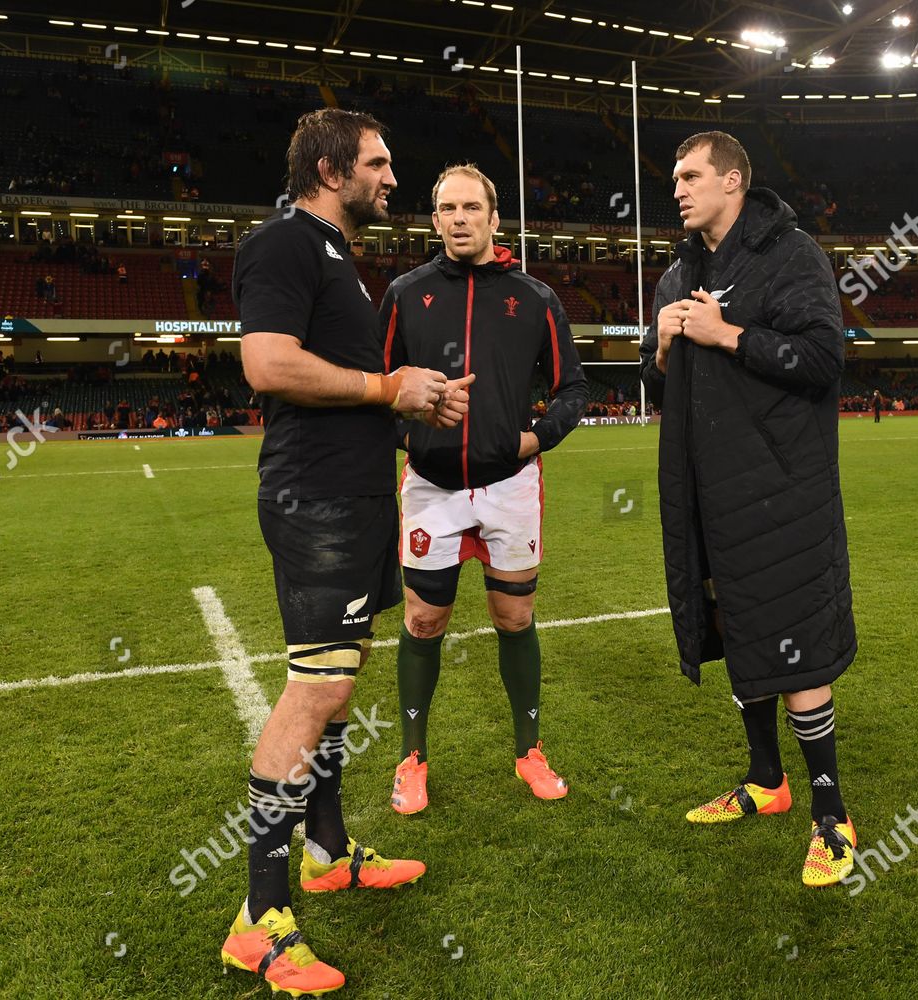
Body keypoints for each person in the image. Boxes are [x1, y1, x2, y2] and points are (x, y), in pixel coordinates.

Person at [225, 108, 470, 996]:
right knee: (318, 686)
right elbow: (267, 363)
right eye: (379, 162)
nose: (393, 178)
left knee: (342, 678)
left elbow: (360, 388)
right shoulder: (285, 244)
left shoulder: (337, 259)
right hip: (315, 500)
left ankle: (328, 850)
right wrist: (383, 383)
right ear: (331, 168)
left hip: (359, 497)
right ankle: (258, 920)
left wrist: (412, 401)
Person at [639, 130, 858, 888]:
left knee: (799, 645)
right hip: (706, 492)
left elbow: (825, 360)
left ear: (733, 181)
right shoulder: (677, 274)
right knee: (737, 632)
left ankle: (832, 816)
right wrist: (662, 352)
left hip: (784, 490)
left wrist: (727, 333)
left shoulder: (792, 254)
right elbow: (662, 382)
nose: (678, 188)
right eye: (675, 176)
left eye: (692, 174)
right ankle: (766, 781)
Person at [378, 164, 587, 815]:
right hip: (431, 489)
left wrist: (534, 439)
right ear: (434, 220)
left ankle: (529, 750)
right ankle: (412, 758)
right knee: (422, 619)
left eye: (473, 207)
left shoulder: (535, 297)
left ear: (495, 218)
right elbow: (372, 387)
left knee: (514, 617)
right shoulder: (405, 294)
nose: (461, 218)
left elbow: (573, 390)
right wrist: (412, 439)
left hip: (510, 487)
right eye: (448, 208)